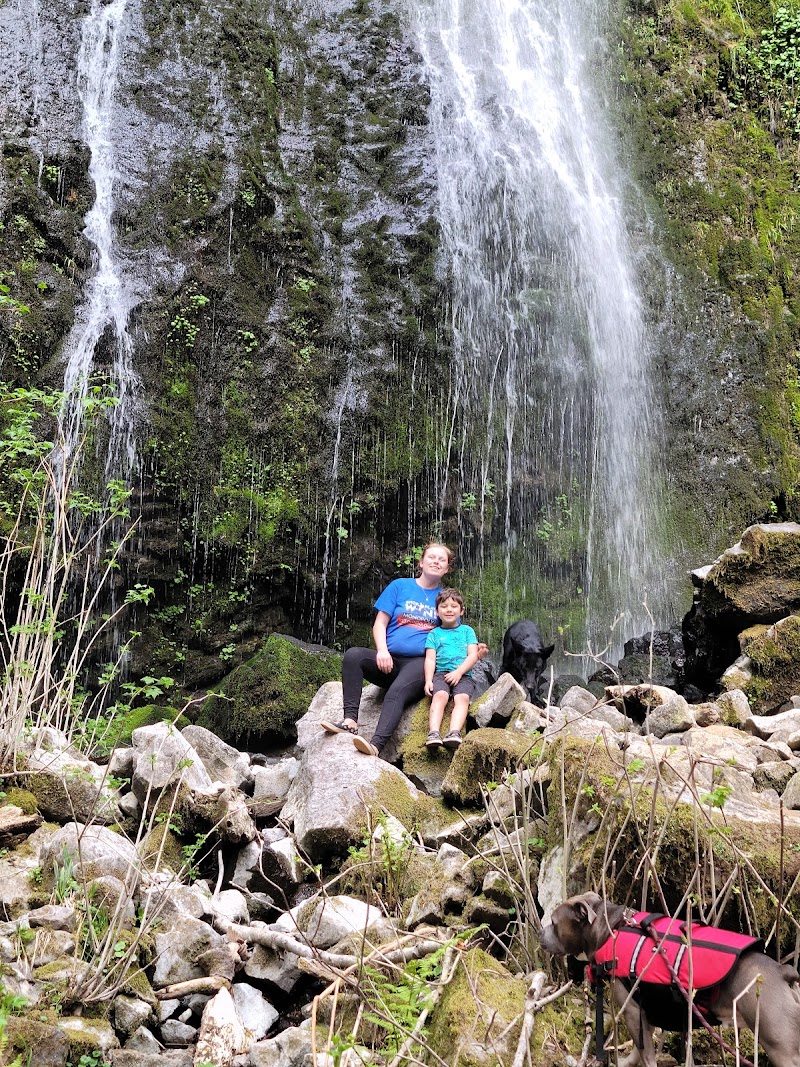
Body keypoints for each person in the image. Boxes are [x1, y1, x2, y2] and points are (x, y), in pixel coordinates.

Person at [320, 542, 454, 757]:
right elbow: (380, 623)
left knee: (396, 692)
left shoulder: (446, 599)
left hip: (419, 663)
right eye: (431, 557)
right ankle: (350, 720)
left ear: (447, 568)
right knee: (354, 656)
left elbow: (452, 634)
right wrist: (382, 650)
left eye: (442, 560)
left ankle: (375, 746)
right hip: (388, 660)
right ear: (421, 562)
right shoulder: (399, 586)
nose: (436, 562)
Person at [424, 588, 479, 751]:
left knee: (462, 698)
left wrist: (459, 672)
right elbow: (430, 658)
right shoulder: (433, 634)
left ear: (461, 611)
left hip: (464, 675)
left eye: (454, 606)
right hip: (441, 674)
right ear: (437, 611)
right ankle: (433, 733)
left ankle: (454, 732)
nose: (449, 609)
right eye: (444, 606)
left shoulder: (467, 631)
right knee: (439, 695)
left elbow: (473, 655)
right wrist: (428, 680)